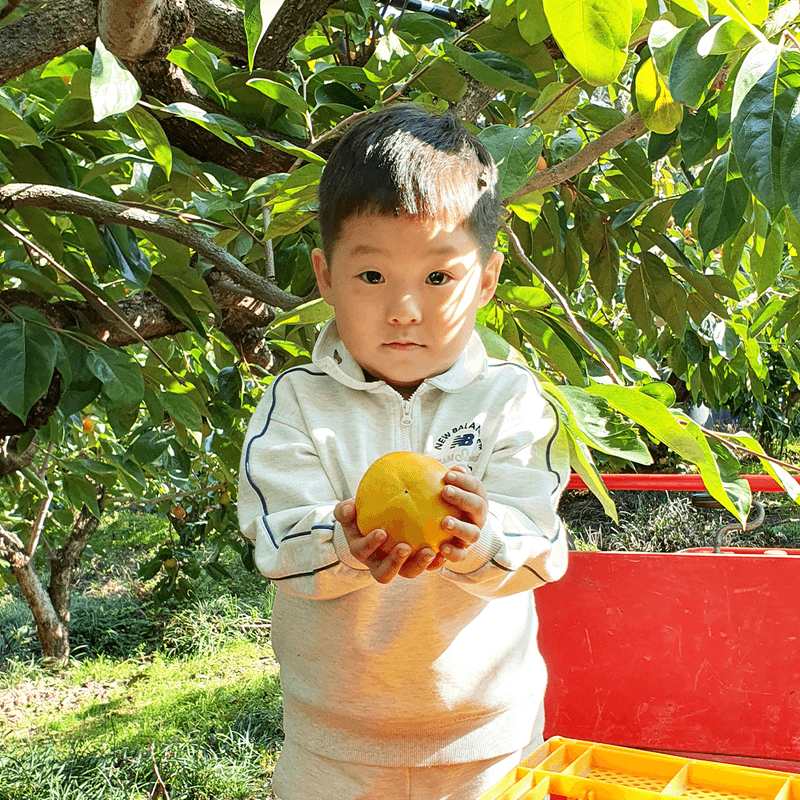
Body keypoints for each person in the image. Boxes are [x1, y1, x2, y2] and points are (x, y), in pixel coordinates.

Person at [238, 104, 569, 800]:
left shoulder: (510, 399)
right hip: (333, 750)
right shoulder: (296, 404)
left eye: (438, 278)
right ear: (326, 276)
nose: (404, 310)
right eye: (372, 277)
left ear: (486, 279)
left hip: (491, 744)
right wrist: (342, 538)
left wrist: (483, 534)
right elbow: (273, 542)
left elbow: (541, 546)